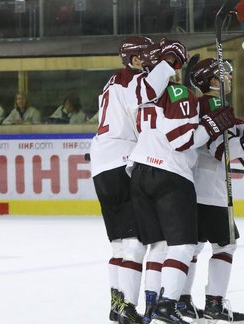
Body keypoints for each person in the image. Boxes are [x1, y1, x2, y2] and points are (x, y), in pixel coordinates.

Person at [128, 46, 236, 324]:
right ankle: (169, 304)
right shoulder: (181, 94)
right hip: (171, 174)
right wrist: (212, 125)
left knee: (160, 246)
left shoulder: (142, 92)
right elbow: (182, 141)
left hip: (139, 171)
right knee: (185, 245)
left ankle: (151, 306)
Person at [88, 35, 185, 323]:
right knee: (134, 244)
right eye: (144, 56)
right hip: (120, 162)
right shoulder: (128, 80)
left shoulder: (112, 82)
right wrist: (168, 63)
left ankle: (117, 303)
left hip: (102, 163)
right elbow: (147, 91)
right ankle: (128, 306)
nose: (148, 61)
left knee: (119, 244)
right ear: (131, 59)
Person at [179, 57, 244, 323]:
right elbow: (220, 149)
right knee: (225, 246)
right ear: (214, 81)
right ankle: (214, 304)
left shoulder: (199, 104)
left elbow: (227, 134)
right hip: (211, 189)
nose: (231, 80)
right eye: (227, 76)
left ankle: (183, 302)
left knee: (192, 247)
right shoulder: (216, 103)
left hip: (192, 187)